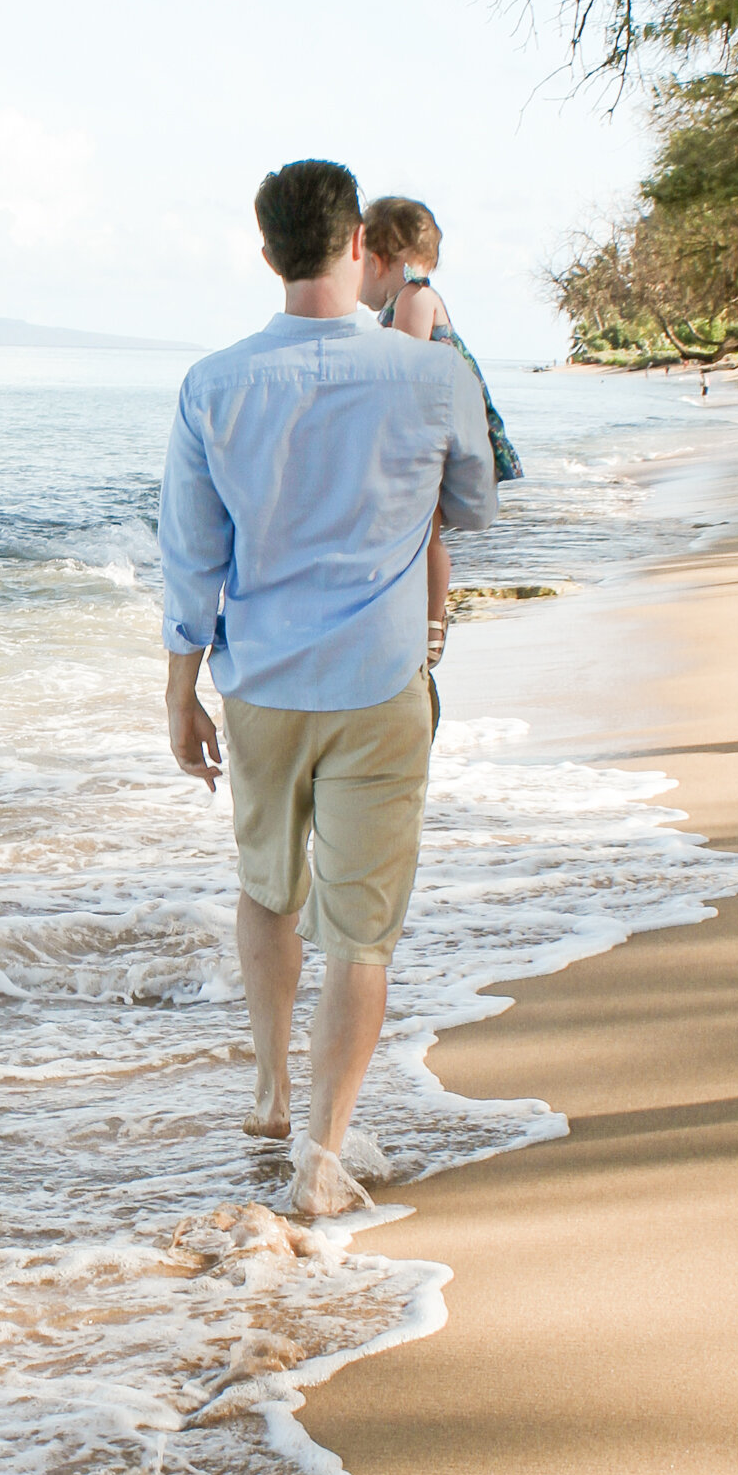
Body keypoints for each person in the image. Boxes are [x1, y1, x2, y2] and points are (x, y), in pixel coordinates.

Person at [161, 160, 497, 1219]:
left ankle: (268, 1090)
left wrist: (179, 693)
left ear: (268, 255)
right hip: (379, 682)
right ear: (359, 246)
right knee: (360, 932)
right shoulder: (431, 372)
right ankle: (324, 1153)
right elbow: (475, 506)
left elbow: (189, 558)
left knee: (267, 890)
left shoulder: (213, 382)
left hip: (260, 682)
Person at [357, 196, 521, 667]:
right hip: (434, 425)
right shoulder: (406, 299)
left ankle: (433, 620)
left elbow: (402, 371)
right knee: (422, 529)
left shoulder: (414, 298)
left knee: (428, 533)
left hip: (434, 430)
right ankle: (425, 614)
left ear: (377, 260)